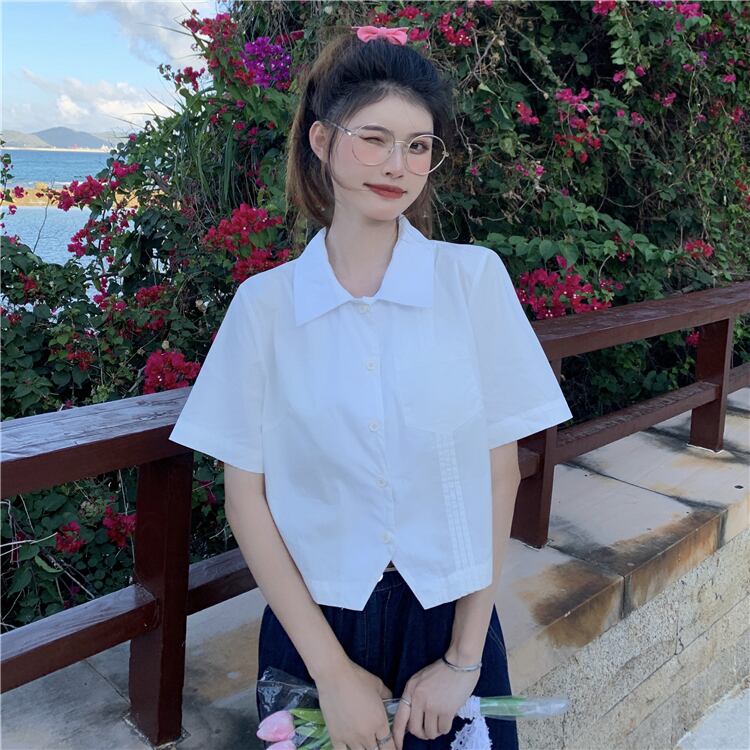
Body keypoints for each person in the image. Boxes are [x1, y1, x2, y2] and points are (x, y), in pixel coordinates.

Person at [169, 24, 573, 750]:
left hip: (450, 617)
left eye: (418, 145)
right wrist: (330, 673)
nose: (397, 165)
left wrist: (463, 661)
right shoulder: (265, 308)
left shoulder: (471, 281)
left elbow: (499, 472)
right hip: (315, 624)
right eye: (375, 139)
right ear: (322, 141)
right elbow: (246, 497)